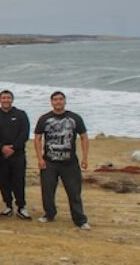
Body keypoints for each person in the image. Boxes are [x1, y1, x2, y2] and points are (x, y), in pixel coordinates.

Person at [34, 91, 90, 230]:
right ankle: (49, 214)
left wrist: (84, 157)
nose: (58, 102)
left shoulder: (75, 118)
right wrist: (40, 158)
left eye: (60, 99)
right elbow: (37, 138)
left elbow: (83, 136)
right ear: (51, 102)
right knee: (47, 191)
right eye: (55, 100)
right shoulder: (44, 118)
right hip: (49, 162)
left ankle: (80, 220)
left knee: (74, 192)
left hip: (69, 163)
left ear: (64, 101)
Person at [0, 90, 31, 219]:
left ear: (12, 99)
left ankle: (21, 207)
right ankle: (8, 205)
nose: (6, 100)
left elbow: (25, 133)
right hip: (0, 155)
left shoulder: (21, 114)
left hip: (17, 154)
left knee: (19, 181)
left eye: (8, 98)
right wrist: (2, 147)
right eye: (3, 98)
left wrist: (13, 148)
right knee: (3, 182)